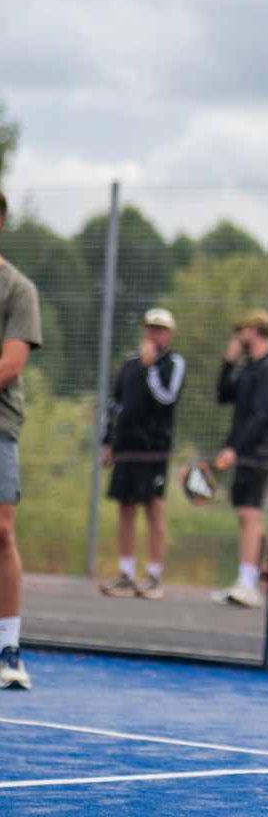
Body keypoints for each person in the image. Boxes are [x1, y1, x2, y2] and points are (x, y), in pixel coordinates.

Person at [99, 308, 185, 600]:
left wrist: (150, 369)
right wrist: (108, 441)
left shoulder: (173, 363)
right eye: (150, 328)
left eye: (160, 330)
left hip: (154, 450)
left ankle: (154, 576)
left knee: (153, 507)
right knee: (125, 507)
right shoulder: (128, 365)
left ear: (169, 334)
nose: (153, 334)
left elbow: (167, 399)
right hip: (127, 448)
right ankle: (125, 574)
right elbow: (115, 405)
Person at [0, 191, 43, 690]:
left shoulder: (17, 289)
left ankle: (8, 648)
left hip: (0, 424)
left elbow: (10, 365)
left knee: (2, 531)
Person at [213, 309, 268, 608]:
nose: (238, 335)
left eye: (242, 329)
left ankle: (249, 583)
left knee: (250, 515)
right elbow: (223, 395)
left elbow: (261, 415)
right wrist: (228, 362)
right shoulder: (248, 368)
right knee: (245, 515)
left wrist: (235, 448)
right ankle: (249, 579)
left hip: (259, 451)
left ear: (254, 330)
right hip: (244, 450)